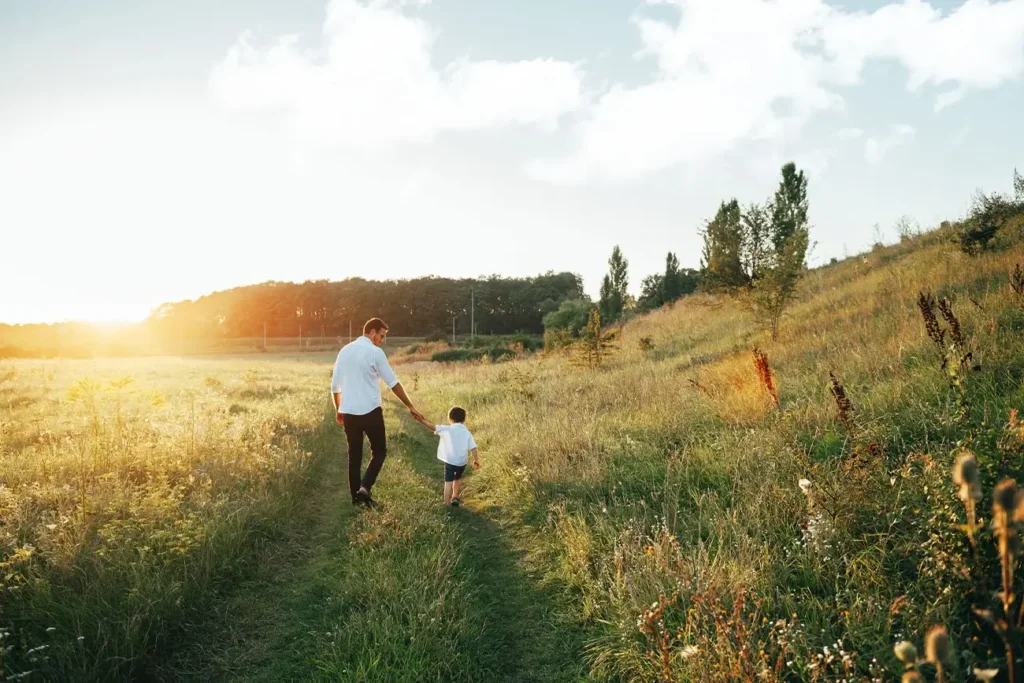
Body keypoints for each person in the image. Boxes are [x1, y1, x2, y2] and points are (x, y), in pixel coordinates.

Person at [331, 318, 423, 507]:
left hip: (348, 412)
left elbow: (335, 386)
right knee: (379, 451)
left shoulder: (344, 351)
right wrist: (410, 405)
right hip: (371, 412)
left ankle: (356, 499)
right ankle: (365, 487)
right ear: (372, 332)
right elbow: (393, 382)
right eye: (382, 335)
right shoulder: (375, 353)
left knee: (354, 455)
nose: (382, 340)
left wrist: (338, 410)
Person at [414, 406, 479, 506]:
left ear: (450, 418)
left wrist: (422, 421)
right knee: (457, 478)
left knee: (448, 481)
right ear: (464, 419)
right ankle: (454, 496)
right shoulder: (467, 433)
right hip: (461, 462)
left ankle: (446, 502)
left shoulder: (447, 429)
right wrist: (476, 460)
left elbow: (432, 427)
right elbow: (473, 448)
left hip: (449, 461)